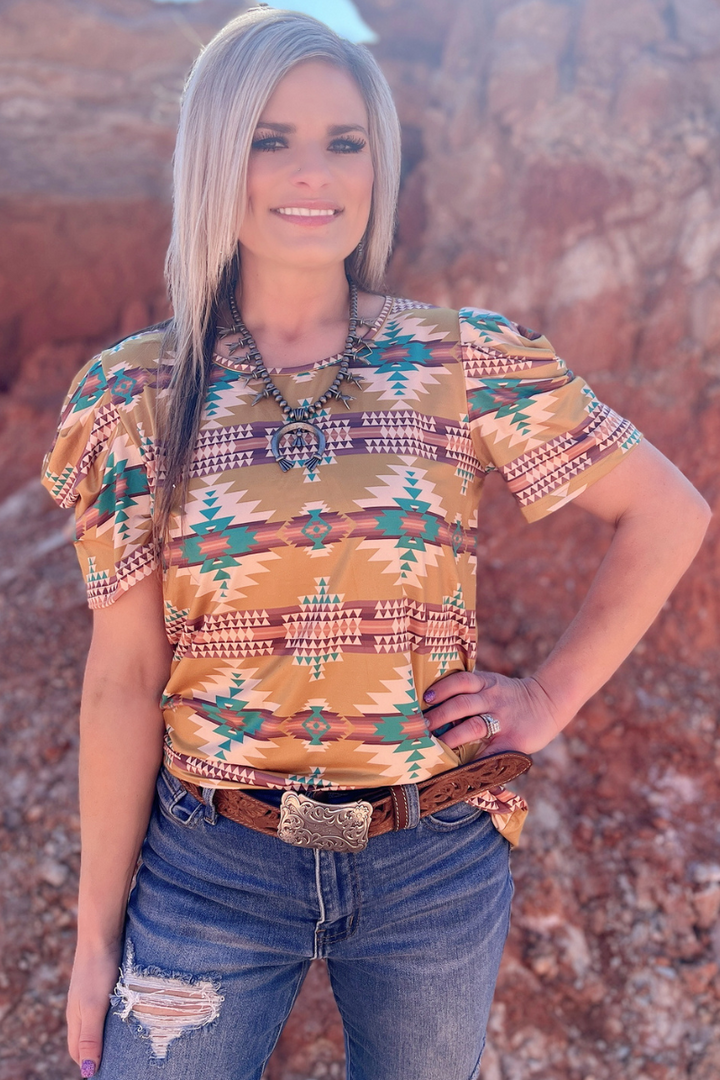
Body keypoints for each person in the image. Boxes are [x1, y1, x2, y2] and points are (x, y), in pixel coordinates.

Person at [41, 7, 710, 1080]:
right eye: (271, 138)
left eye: (344, 140)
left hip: (429, 865)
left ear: (378, 162)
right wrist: (92, 940)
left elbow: (671, 512)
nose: (314, 171)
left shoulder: (460, 358)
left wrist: (546, 699)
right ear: (215, 156)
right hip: (210, 868)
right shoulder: (135, 392)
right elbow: (122, 680)